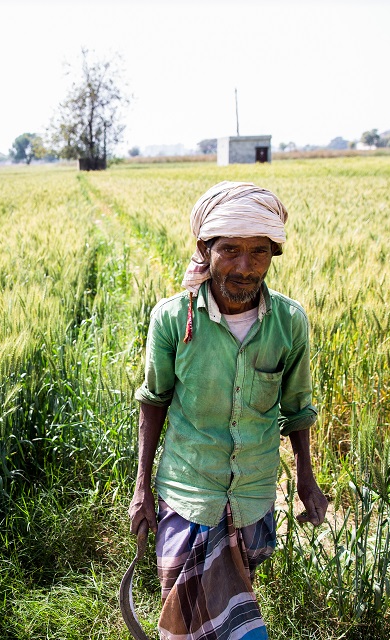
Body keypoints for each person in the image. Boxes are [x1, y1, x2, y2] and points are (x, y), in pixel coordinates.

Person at [128, 181, 329, 640]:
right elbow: (153, 401)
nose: (244, 266)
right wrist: (141, 485)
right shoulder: (173, 319)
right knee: (214, 624)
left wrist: (306, 479)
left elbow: (297, 408)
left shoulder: (289, 322)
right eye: (230, 250)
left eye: (259, 251)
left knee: (232, 607)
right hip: (188, 492)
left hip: (253, 495)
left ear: (274, 254)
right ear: (205, 249)